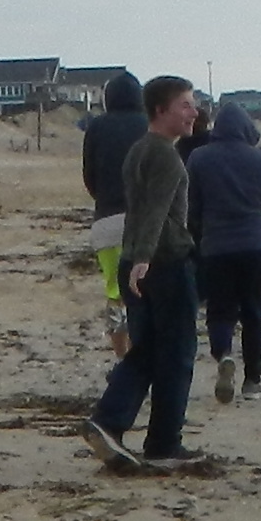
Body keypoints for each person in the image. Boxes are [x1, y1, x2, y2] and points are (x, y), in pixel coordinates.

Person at [85, 74, 205, 466]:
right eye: (185, 105)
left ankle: (109, 421)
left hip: (135, 261)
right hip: (163, 263)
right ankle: (164, 442)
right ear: (160, 110)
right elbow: (153, 213)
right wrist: (143, 260)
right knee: (177, 353)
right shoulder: (165, 155)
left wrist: (134, 261)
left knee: (149, 350)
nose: (194, 112)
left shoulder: (139, 150)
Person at [187, 97, 261, 395]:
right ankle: (253, 378)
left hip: (215, 246)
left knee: (220, 309)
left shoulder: (199, 158)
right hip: (254, 245)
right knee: (254, 311)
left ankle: (224, 354)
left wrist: (201, 226)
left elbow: (190, 203)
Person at [78, 71, 146, 315]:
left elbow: (90, 175)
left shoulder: (96, 127)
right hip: (147, 223)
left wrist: (105, 199)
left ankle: (122, 352)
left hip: (107, 220)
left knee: (115, 293)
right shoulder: (149, 126)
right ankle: (146, 348)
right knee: (148, 292)